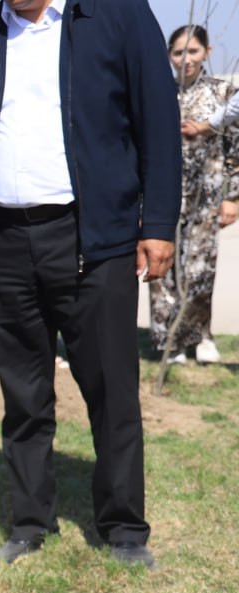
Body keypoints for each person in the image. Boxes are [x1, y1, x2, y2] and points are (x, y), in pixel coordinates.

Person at [0, 0, 180, 569]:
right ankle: (29, 521)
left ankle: (123, 528)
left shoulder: (116, 16)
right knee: (23, 393)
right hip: (1, 241)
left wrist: (160, 223)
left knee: (111, 388)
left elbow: (158, 119)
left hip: (92, 237)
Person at [156, 25, 236, 365]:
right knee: (163, 267)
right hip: (163, 193)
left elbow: (236, 147)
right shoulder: (158, 91)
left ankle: (200, 335)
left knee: (200, 266)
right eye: (178, 52)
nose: (185, 59)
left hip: (208, 191)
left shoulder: (224, 93)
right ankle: (169, 340)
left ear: (206, 52)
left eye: (193, 51)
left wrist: (232, 197)